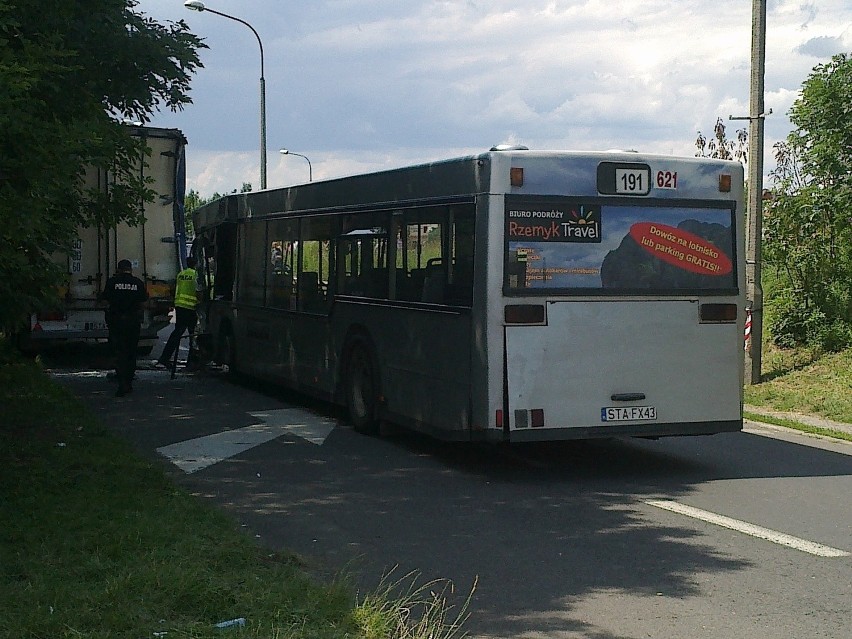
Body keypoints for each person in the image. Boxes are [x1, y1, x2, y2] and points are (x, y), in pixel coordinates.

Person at [101, 259, 148, 397]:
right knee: (131, 351)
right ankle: (128, 380)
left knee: (119, 351)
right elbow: (144, 302)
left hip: (116, 322)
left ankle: (121, 381)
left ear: (118, 269)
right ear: (130, 269)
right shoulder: (138, 283)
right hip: (133, 322)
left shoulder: (112, 282)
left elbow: (104, 301)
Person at [156, 256, 201, 370]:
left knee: (177, 333)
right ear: (196, 264)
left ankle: (165, 358)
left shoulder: (181, 274)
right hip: (191, 308)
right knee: (193, 335)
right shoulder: (196, 275)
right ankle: (192, 361)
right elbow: (198, 291)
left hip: (180, 307)